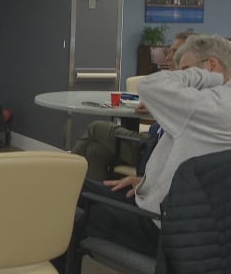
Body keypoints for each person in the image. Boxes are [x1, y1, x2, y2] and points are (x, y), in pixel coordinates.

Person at [38, 34, 231, 274]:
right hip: (193, 224)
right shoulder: (216, 109)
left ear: (212, 65)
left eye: (186, 70)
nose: (180, 76)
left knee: (68, 204)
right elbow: (200, 166)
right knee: (71, 188)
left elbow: (151, 85)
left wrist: (206, 78)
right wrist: (147, 179)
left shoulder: (210, 103)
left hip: (159, 225)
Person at [72, 31, 196, 181]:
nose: (168, 57)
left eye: (175, 52)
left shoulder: (193, 90)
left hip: (153, 149)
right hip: (151, 141)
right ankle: (88, 200)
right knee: (96, 151)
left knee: (97, 127)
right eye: (169, 51)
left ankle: (64, 178)